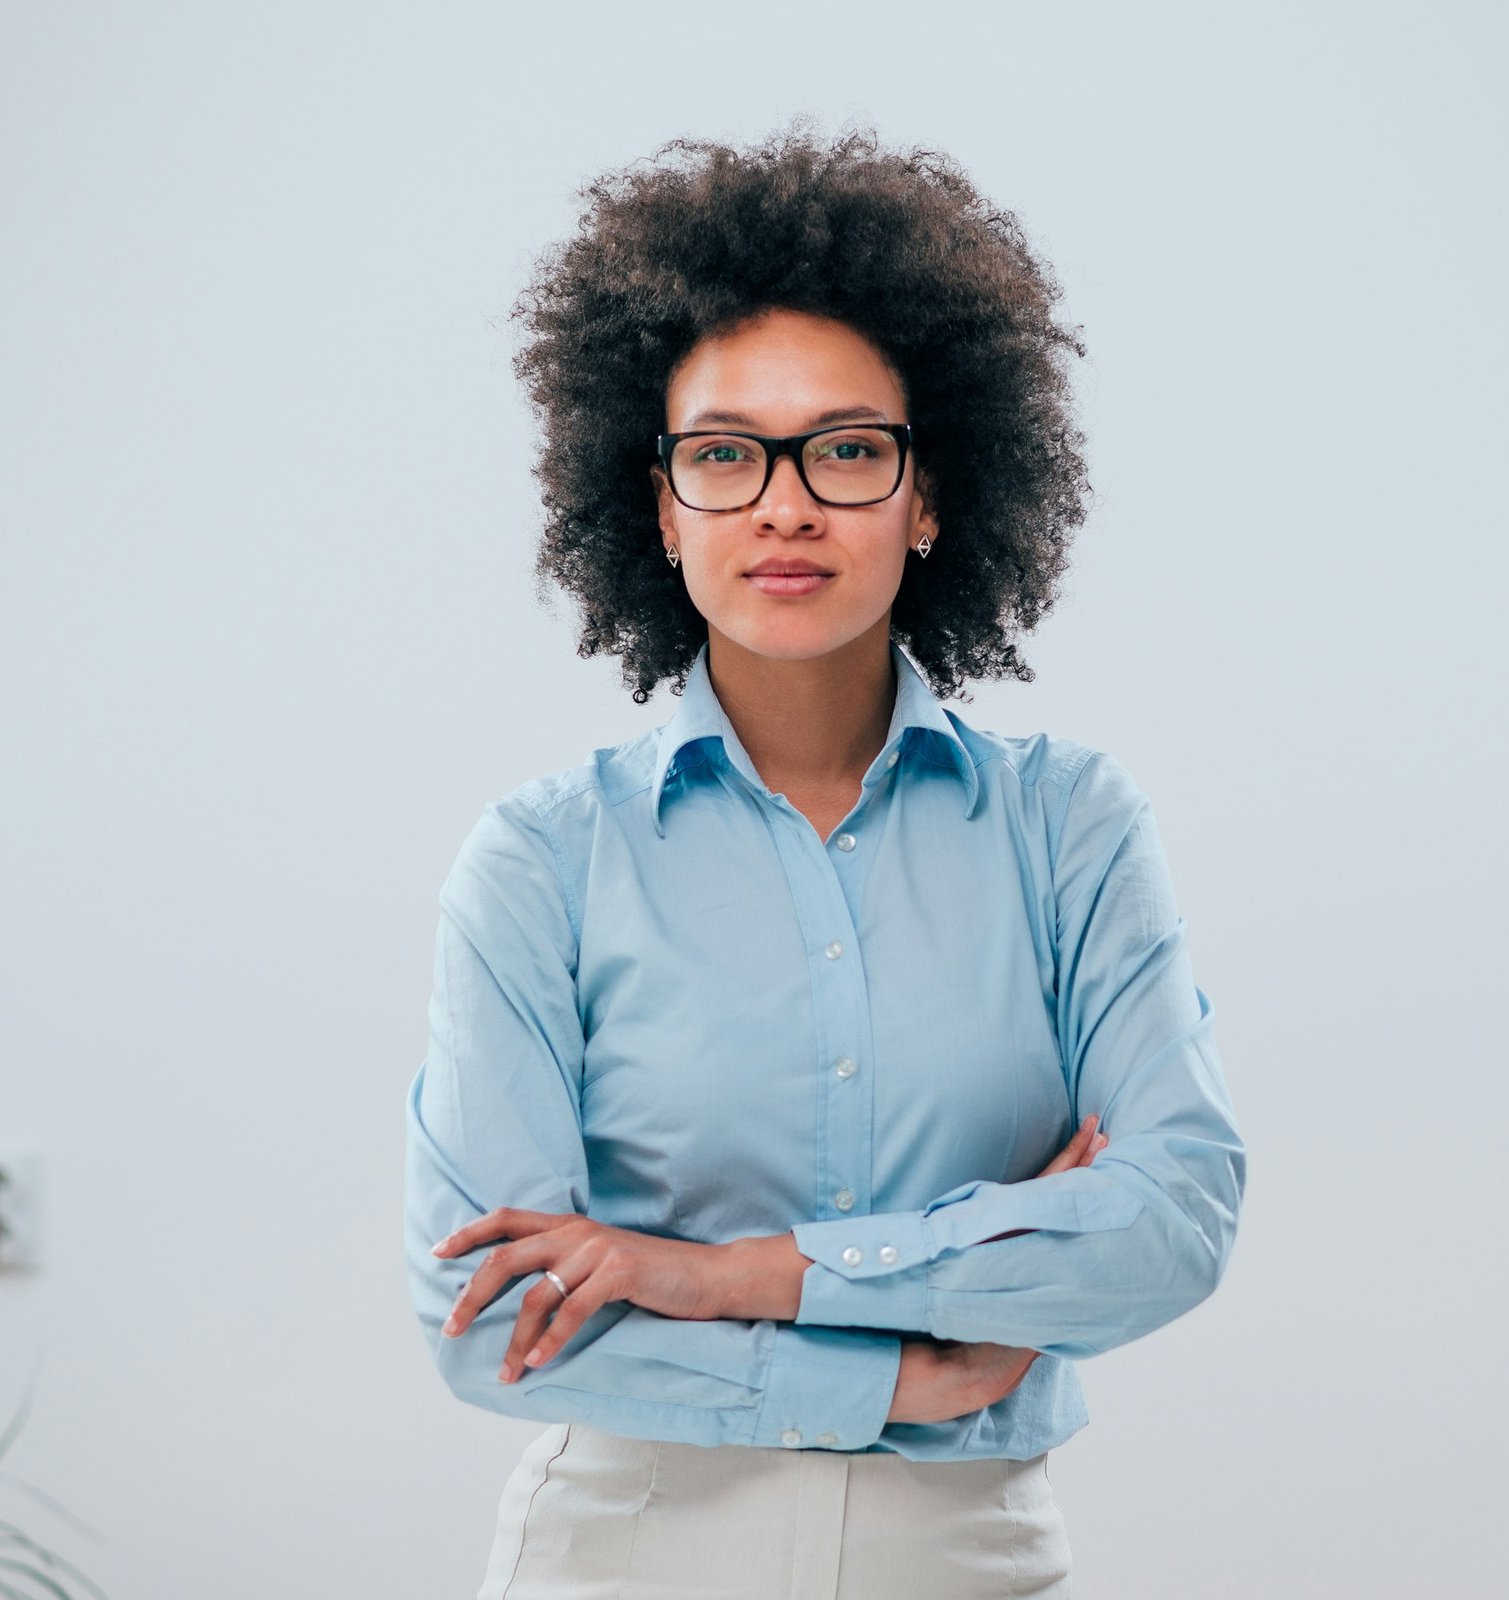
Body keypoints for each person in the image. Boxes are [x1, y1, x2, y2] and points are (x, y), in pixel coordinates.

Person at [402, 117, 1247, 1600]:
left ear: (929, 497)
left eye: (848, 450)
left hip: (972, 1557)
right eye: (727, 456)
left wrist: (727, 1275)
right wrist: (904, 1367)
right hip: (624, 1554)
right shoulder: (543, 862)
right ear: (662, 508)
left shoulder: (1069, 831)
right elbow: (484, 1317)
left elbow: (1171, 1217)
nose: (786, 503)